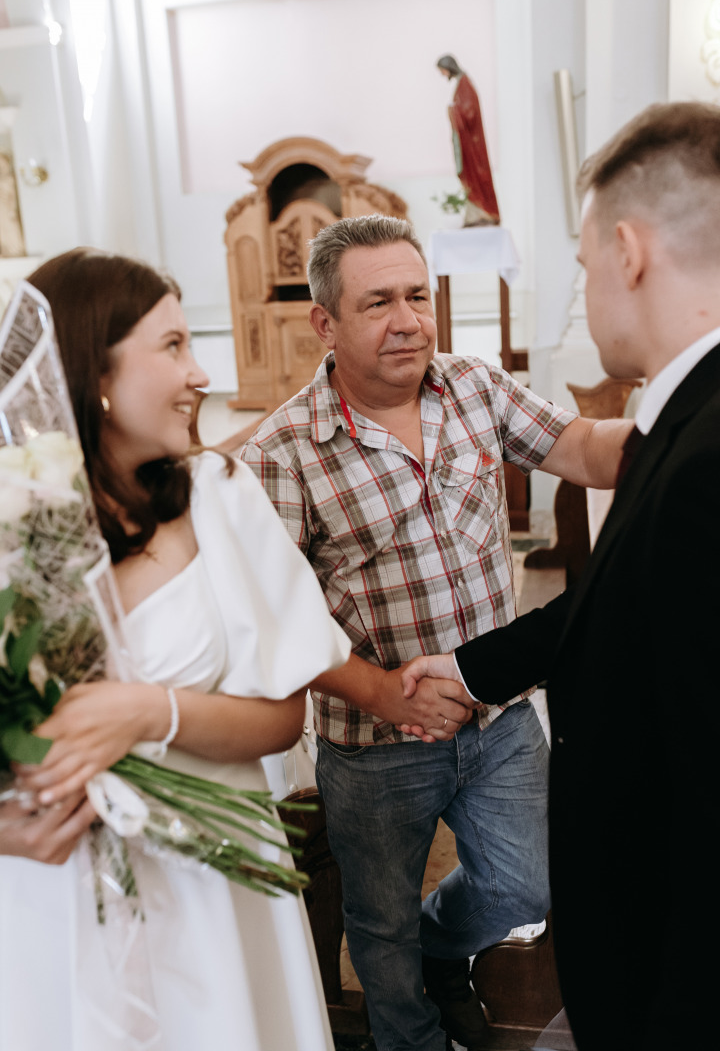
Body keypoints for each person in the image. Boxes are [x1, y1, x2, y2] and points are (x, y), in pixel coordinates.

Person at [239, 214, 632, 1051]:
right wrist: (384, 692)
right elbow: (279, 621)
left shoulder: (475, 387)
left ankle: (441, 951)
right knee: (378, 930)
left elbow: (588, 449)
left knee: (526, 888)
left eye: (417, 295)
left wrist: (680, 422)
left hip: (498, 717)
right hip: (375, 740)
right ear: (326, 323)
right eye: (377, 302)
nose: (409, 319)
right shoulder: (282, 453)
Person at [401, 101, 719, 1050]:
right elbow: (631, 602)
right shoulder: (686, 420)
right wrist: (470, 667)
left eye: (582, 267)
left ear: (627, 252)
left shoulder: (705, 460)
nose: (588, 288)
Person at [0, 247, 350, 1051]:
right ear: (94, 374)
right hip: (45, 899)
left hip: (209, 890)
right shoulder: (14, 526)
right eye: (172, 346)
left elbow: (278, 720)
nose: (201, 374)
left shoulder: (219, 498)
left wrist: (147, 712)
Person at [437, 54, 500, 226]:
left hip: (473, 145)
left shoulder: (465, 84)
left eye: (442, 71)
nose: (443, 75)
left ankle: (484, 212)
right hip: (468, 144)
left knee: (477, 176)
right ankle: (476, 213)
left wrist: (452, 110)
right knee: (469, 177)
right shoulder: (461, 83)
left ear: (448, 67)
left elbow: (470, 112)